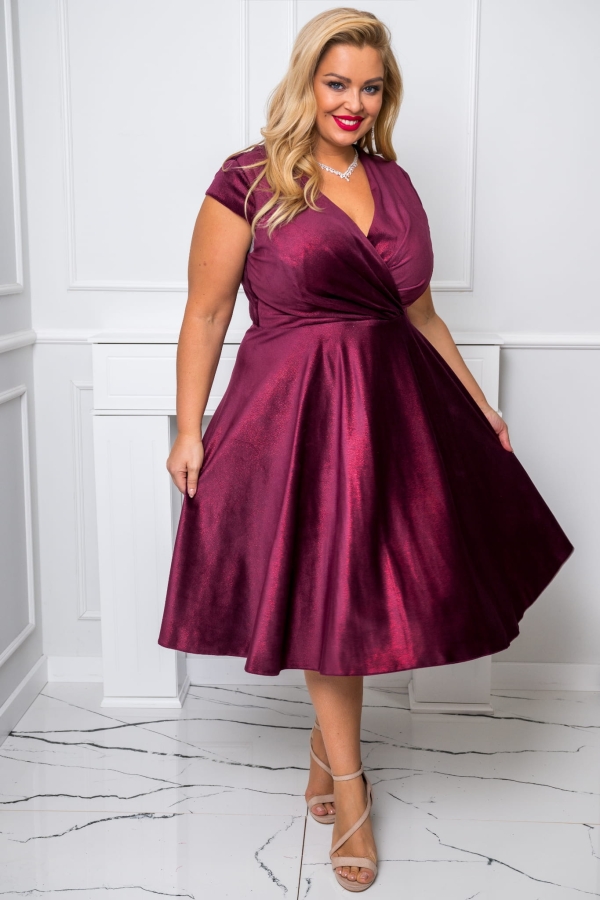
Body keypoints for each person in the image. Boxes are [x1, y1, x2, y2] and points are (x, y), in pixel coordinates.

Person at [158, 7, 574, 891]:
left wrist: (480, 405)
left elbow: (421, 314)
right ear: (306, 82)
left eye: (371, 87)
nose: (353, 102)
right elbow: (206, 311)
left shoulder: (396, 182)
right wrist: (189, 427)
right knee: (329, 596)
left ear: (388, 94)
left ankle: (325, 751)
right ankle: (351, 788)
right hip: (293, 414)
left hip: (390, 414)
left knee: (366, 596)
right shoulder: (249, 177)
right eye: (337, 83)